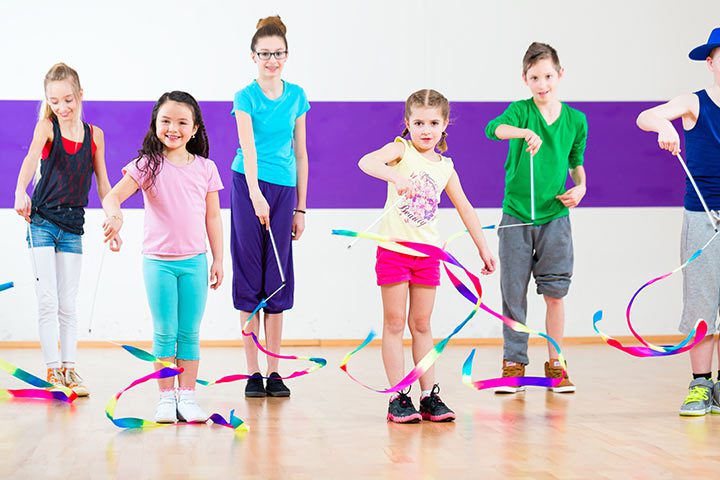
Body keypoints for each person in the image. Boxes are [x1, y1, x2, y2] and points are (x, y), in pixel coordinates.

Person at [358, 89, 496, 423]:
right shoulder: (401, 150)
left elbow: (465, 207)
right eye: (418, 122)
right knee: (394, 324)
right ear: (407, 123)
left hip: (427, 256)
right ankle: (398, 396)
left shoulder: (445, 167)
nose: (425, 129)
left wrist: (483, 247)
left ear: (445, 124)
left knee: (421, 324)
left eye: (433, 122)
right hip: (394, 252)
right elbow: (366, 161)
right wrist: (395, 174)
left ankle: (427, 395)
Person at [102, 91, 224, 423]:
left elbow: (213, 217)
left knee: (189, 332)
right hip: (158, 262)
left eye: (182, 122)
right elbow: (112, 197)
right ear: (155, 124)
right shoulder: (147, 165)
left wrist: (218, 259)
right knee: (165, 331)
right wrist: (115, 218)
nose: (173, 128)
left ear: (195, 128)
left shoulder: (206, 169)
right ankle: (166, 398)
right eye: (166, 121)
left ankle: (187, 396)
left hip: (195, 262)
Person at [485, 42, 588, 394]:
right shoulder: (520, 112)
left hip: (555, 216)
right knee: (513, 293)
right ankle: (513, 363)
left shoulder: (576, 120)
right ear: (524, 79)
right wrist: (522, 132)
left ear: (560, 74)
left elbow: (576, 162)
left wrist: (581, 187)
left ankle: (555, 364)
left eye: (547, 76)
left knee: (555, 293)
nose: (542, 84)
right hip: (517, 215)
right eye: (534, 78)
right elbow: (493, 129)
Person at [13, 62, 117, 396]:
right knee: (47, 299)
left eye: (68, 99)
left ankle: (70, 369)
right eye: (54, 101)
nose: (62, 107)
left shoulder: (94, 135)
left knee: (68, 303)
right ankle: (52, 370)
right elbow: (31, 159)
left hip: (72, 227)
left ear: (80, 95)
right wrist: (20, 190)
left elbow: (104, 184)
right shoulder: (46, 127)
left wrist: (113, 216)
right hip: (42, 223)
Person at [636, 27, 720, 416]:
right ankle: (700, 384)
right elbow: (646, 116)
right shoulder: (694, 102)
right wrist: (665, 125)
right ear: (710, 61)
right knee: (702, 302)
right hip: (703, 216)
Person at [231, 15, 309, 398]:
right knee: (250, 274)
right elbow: (247, 149)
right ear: (253, 56)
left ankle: (274, 371)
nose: (272, 60)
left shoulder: (296, 96)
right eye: (264, 54)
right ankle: (252, 372)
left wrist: (301, 208)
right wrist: (255, 194)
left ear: (287, 55)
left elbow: (302, 153)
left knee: (277, 277)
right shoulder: (244, 96)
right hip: (247, 184)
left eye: (278, 53)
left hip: (285, 189)